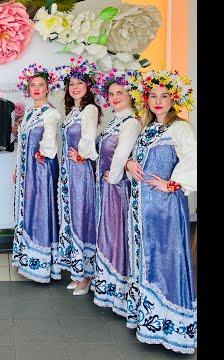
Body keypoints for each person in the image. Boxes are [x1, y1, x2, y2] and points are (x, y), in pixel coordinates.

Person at [124, 70, 197, 354]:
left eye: (164, 96)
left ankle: (172, 327)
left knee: (167, 258)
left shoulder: (180, 128)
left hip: (165, 207)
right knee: (146, 257)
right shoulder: (146, 127)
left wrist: (173, 184)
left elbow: (192, 158)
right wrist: (130, 163)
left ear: (174, 99)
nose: (158, 101)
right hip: (141, 206)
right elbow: (138, 159)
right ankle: (149, 320)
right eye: (153, 96)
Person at [92, 70, 142, 315]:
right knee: (109, 232)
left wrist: (111, 178)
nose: (114, 97)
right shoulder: (116, 119)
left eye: (119, 93)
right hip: (107, 187)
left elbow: (123, 154)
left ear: (131, 96)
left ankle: (120, 290)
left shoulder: (131, 122)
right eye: (111, 94)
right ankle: (108, 286)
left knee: (116, 233)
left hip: (117, 187)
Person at [54, 56, 102, 295]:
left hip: (81, 173)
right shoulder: (74, 110)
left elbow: (89, 138)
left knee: (82, 218)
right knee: (72, 217)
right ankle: (77, 270)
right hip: (68, 172)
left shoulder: (90, 109)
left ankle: (86, 275)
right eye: (72, 84)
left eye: (79, 83)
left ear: (88, 87)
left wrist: (82, 157)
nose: (75, 87)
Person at [12, 64, 61, 282]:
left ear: (48, 88)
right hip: (27, 170)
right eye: (33, 85)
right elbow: (23, 143)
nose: (37, 88)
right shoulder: (31, 111)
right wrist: (18, 168)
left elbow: (49, 141)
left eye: (41, 85)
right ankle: (27, 257)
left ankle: (42, 265)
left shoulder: (50, 113)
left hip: (41, 171)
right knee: (28, 209)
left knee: (40, 210)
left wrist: (41, 155)